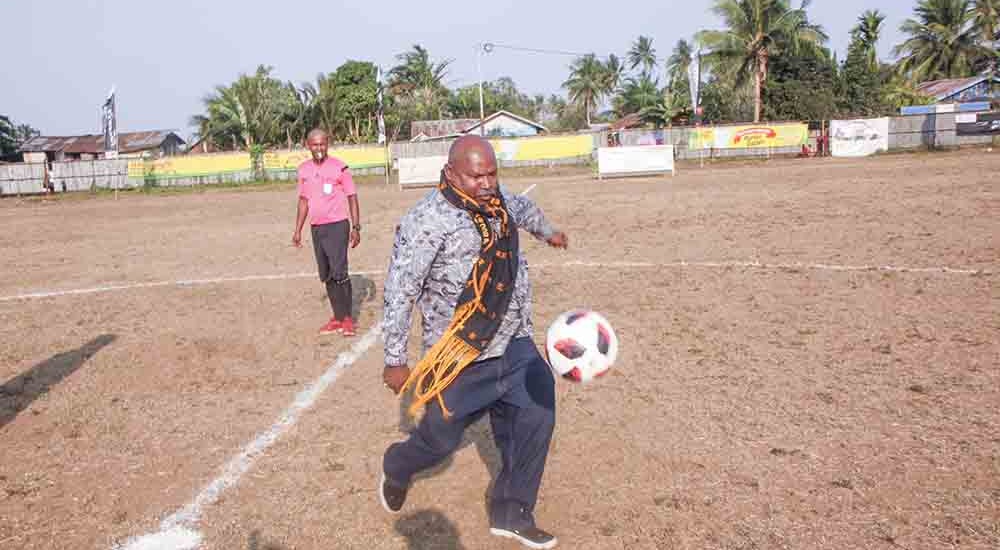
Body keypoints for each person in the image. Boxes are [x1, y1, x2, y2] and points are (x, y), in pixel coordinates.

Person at [379, 135, 569, 549]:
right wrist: (395, 357)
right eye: (476, 176)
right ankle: (397, 465)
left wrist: (549, 232)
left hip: (514, 340)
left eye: (492, 174)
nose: (486, 184)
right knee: (438, 443)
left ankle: (512, 512)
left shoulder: (501, 202)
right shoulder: (425, 221)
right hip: (458, 354)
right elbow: (400, 289)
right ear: (451, 173)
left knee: (536, 417)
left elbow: (526, 210)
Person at [292, 129, 361, 336]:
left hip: (338, 226)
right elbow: (303, 201)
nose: (319, 148)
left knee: (340, 273)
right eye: (315, 144)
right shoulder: (303, 170)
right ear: (308, 145)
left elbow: (352, 197)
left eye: (322, 143)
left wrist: (356, 227)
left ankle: (347, 319)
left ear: (328, 143)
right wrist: (297, 230)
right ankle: (337, 317)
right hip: (317, 227)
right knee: (327, 274)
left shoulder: (340, 168)